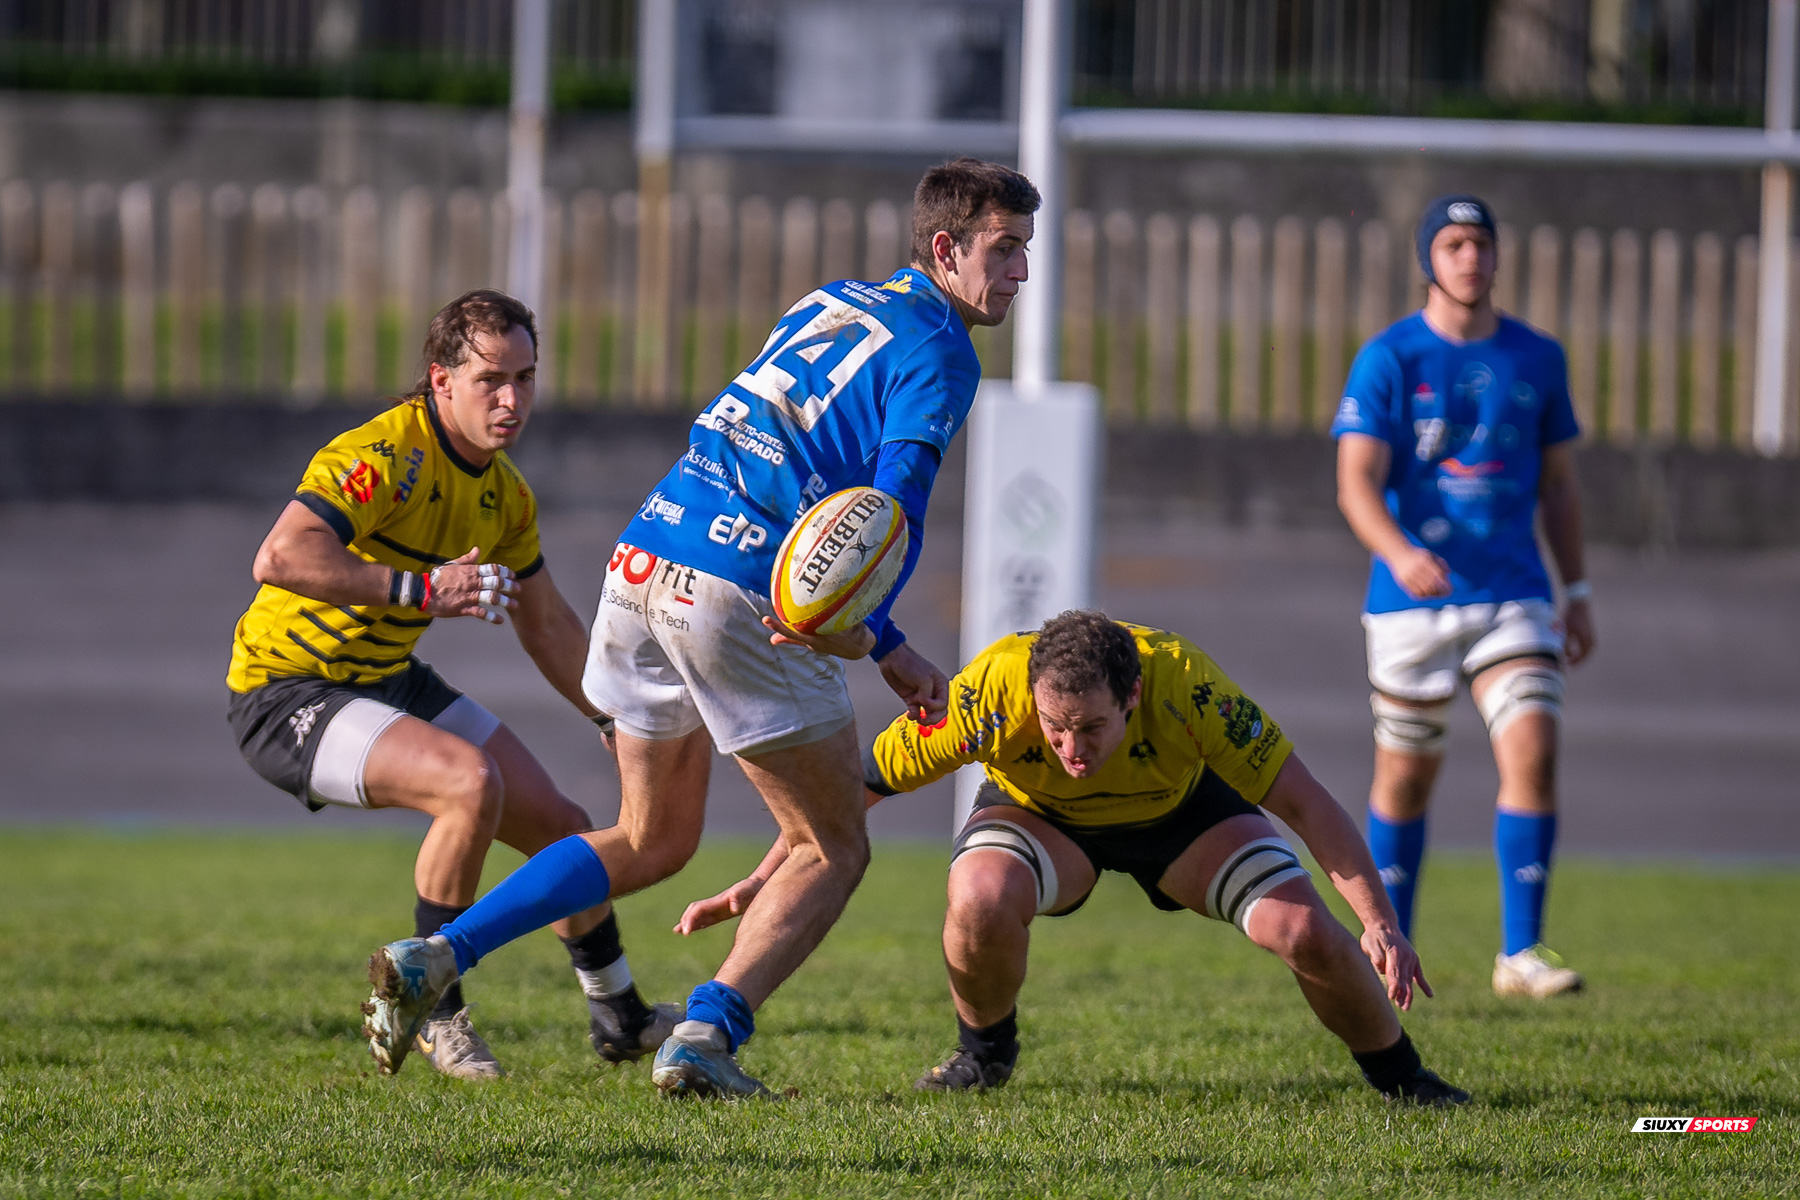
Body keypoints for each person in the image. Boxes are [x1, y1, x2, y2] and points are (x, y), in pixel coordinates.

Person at [359, 157, 1041, 1098]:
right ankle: (705, 1037)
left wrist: (883, 642)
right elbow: (891, 513)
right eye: (1003, 250)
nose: (1019, 272)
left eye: (1025, 251)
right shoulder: (943, 349)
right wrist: (872, 634)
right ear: (944, 247)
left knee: (651, 838)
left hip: (646, 554)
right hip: (741, 588)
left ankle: (438, 952)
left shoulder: (833, 299)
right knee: (832, 846)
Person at [680, 612, 1469, 1106]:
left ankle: (1404, 1078)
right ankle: (984, 1053)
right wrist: (762, 876)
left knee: (1306, 934)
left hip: (1179, 816)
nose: (1071, 746)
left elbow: (1305, 803)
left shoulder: (1187, 685)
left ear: (1133, 697)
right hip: (1042, 818)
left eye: (1091, 728)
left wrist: (1378, 922)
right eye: (1055, 727)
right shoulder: (990, 694)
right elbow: (854, 790)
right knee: (979, 895)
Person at [228, 289, 678, 1080]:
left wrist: (614, 720)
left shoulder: (505, 495)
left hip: (386, 679)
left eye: (525, 379)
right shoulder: (383, 454)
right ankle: (439, 1017)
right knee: (470, 784)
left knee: (564, 829)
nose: (512, 400)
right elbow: (280, 556)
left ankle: (619, 1015)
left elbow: (547, 624)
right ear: (440, 379)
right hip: (287, 689)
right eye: (490, 380)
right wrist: (421, 590)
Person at [1330, 194, 1595, 999]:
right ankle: (1391, 951)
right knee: (1406, 780)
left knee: (1534, 747)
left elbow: (1559, 488)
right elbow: (1355, 483)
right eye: (1452, 244)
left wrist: (1578, 588)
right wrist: (1400, 552)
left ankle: (1521, 953)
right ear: (1428, 260)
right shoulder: (1389, 357)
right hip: (1410, 603)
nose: (1470, 257)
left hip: (1513, 594)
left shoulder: (1537, 357)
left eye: (1480, 242)